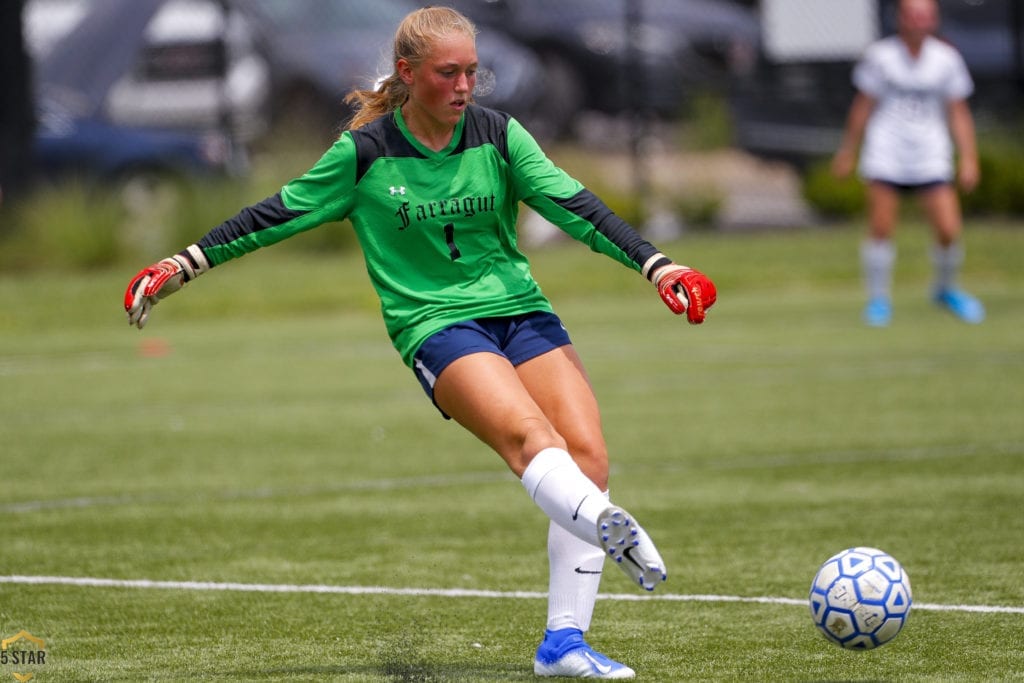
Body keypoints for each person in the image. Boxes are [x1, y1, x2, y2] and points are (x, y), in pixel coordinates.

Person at [124, 7, 716, 679]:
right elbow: (275, 213)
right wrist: (183, 264)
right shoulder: (367, 153)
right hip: (437, 326)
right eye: (448, 73)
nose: (465, 86)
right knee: (530, 439)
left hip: (520, 311)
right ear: (408, 75)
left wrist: (658, 264)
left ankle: (563, 643)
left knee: (588, 455)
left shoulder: (497, 134)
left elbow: (572, 203)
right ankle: (608, 525)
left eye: (472, 71)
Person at [831, 0, 984, 326]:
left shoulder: (946, 59)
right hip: (886, 153)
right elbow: (862, 106)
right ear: (900, 18)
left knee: (947, 229)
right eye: (913, 15)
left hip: (930, 154)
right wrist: (848, 151)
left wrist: (969, 157)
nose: (919, 21)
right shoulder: (881, 56)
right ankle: (878, 301)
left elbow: (958, 111)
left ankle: (945, 289)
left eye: (926, 15)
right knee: (881, 228)